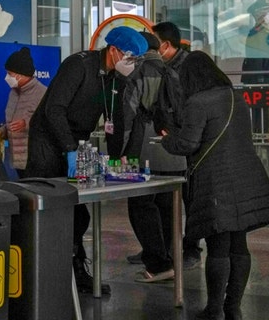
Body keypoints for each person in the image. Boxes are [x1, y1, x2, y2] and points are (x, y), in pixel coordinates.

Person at [24, 26, 148, 294]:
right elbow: (53, 109)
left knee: (78, 212)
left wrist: (118, 159)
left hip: (77, 142)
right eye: (129, 56)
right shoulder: (78, 65)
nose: (132, 63)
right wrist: (69, 149)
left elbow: (113, 120)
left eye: (136, 59)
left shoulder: (116, 79)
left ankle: (76, 270)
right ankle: (42, 273)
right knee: (49, 207)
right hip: (48, 139)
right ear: (113, 50)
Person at [160, 51, 269, 320]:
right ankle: (233, 307)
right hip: (247, 177)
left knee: (218, 246)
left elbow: (188, 144)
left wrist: (167, 140)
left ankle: (213, 308)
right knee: (239, 244)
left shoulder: (198, 102)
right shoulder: (237, 97)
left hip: (216, 181)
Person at [118, 31, 174, 282]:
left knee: (140, 204)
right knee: (166, 204)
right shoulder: (172, 71)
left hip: (142, 147)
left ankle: (158, 263)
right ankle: (169, 258)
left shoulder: (138, 73)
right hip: (171, 149)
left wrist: (121, 152)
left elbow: (128, 116)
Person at [149, 21, 204, 270]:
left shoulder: (189, 67)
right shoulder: (161, 66)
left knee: (191, 199)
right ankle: (163, 248)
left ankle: (191, 248)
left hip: (190, 143)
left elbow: (191, 108)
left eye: (154, 42)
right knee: (163, 199)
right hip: (170, 140)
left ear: (167, 45)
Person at [0, 47, 47, 179]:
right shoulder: (13, 93)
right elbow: (11, 119)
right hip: (18, 161)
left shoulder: (42, 93)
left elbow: (49, 123)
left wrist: (26, 124)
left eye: (10, 74)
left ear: (20, 74)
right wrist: (4, 131)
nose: (7, 78)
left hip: (36, 160)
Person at [241, 0, 269, 134]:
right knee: (259, 116)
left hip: (261, 80)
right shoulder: (258, 34)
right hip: (258, 81)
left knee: (262, 116)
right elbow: (257, 59)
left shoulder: (264, 33)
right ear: (260, 16)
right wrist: (261, 81)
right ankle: (260, 138)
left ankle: (261, 135)